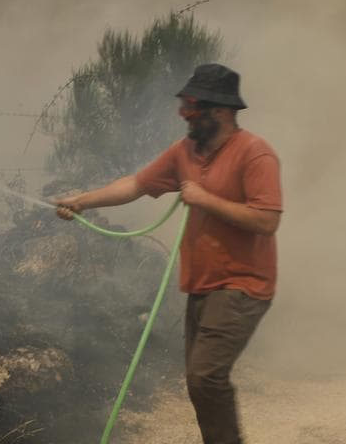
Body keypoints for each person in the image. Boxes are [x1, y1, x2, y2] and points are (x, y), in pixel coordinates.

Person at [54, 63, 282, 444]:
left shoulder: (255, 154)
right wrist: (82, 201)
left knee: (204, 376)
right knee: (199, 381)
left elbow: (266, 220)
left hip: (243, 284)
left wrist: (204, 199)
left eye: (193, 106)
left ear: (221, 110)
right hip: (202, 284)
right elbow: (136, 185)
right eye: (185, 105)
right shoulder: (184, 152)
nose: (184, 115)